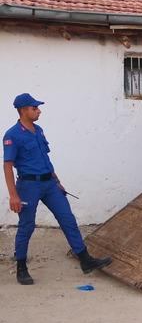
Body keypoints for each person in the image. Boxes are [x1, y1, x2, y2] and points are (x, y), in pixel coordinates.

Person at [3, 93, 113, 285]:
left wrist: (57, 181)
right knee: (27, 226)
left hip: (49, 184)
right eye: (34, 108)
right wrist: (13, 195)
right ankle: (21, 266)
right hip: (28, 186)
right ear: (23, 110)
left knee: (68, 219)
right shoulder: (12, 135)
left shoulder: (38, 131)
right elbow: (7, 165)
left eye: (37, 108)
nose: (39, 111)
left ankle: (85, 260)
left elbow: (46, 159)